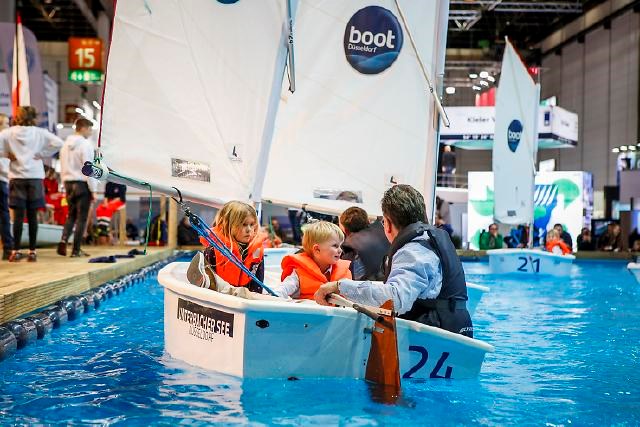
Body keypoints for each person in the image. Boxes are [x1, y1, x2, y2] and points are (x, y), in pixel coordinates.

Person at [314, 184, 473, 338]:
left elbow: (395, 298)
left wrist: (340, 287)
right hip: (456, 329)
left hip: (436, 337)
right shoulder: (430, 243)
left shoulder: (412, 251)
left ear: (388, 224)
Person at [0, 106, 63, 262]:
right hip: (35, 177)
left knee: (18, 217)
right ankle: (32, 251)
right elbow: (59, 143)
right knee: (33, 216)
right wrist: (41, 154)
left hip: (17, 178)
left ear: (17, 117)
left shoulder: (8, 133)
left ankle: (15, 251)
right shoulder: (40, 133)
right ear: (34, 117)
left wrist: (6, 154)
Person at [194, 201, 266, 293]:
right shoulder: (213, 250)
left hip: (245, 297)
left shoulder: (256, 250)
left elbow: (258, 284)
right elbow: (208, 284)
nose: (249, 230)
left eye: (252, 224)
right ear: (228, 224)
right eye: (244, 224)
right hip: (221, 296)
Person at [275, 221, 351, 299]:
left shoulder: (344, 272)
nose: (340, 250)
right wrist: (274, 295)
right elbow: (282, 290)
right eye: (335, 246)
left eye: (340, 246)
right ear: (317, 249)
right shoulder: (298, 274)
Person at [57, 118, 97, 257]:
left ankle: (63, 240)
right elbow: (88, 168)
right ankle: (76, 250)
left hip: (68, 183)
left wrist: (64, 183)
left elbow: (62, 167)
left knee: (71, 215)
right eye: (90, 130)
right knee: (82, 218)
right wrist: (93, 189)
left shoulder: (65, 145)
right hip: (81, 184)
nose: (90, 133)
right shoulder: (85, 144)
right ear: (83, 128)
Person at [339, 207, 389, 281]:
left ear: (346, 231)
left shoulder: (349, 253)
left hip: (374, 285)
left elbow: (355, 281)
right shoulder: (387, 231)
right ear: (368, 221)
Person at [0, 113, 12, 260]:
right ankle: (8, 248)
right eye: (6, 123)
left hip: (4, 179)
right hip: (2, 180)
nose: (9, 126)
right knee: (4, 215)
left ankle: (8, 247)